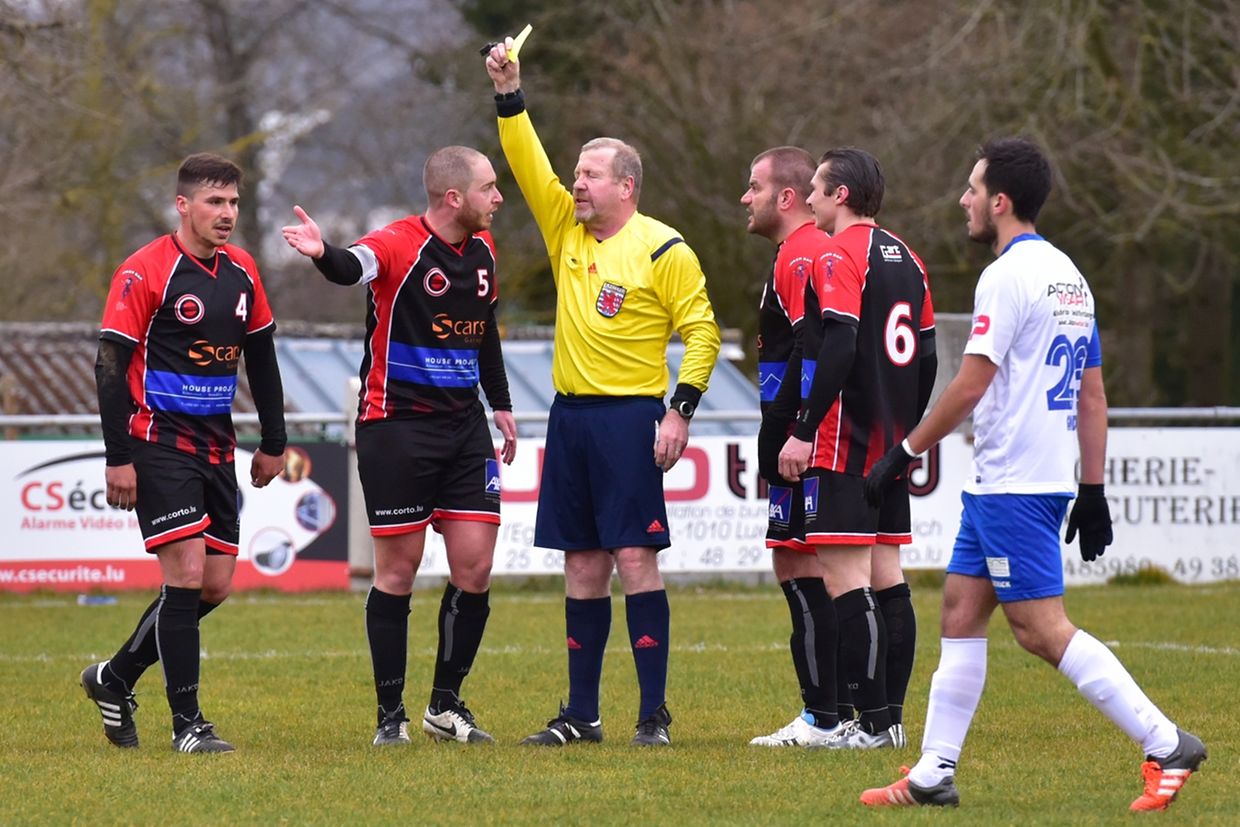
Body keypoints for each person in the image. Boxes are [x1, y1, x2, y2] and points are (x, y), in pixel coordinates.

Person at [860, 137, 1206, 811]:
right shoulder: (1069, 275)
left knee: (1041, 629)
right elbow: (1093, 392)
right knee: (960, 611)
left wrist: (905, 452)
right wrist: (1093, 488)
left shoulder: (1007, 275)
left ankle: (1166, 741)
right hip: (1017, 481)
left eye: (971, 189)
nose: (963, 201)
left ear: (1001, 202)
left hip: (1015, 484)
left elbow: (970, 382)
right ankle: (934, 770)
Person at [484, 36, 721, 747]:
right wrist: (508, 93)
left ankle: (653, 714)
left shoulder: (663, 248)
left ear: (627, 186)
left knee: (633, 559)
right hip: (571, 418)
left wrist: (679, 411)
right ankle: (580, 714)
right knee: (581, 562)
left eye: (590, 174)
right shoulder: (567, 230)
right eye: (577, 173)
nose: (576, 184)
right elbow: (527, 164)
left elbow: (702, 331)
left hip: (630, 419)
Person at [281, 146, 517, 747]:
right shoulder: (398, 244)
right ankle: (392, 716)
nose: (498, 198)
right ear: (453, 198)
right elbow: (349, 266)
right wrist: (321, 254)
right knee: (399, 571)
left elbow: (484, 332)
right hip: (396, 427)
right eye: (489, 188)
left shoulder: (485, 251)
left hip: (465, 428)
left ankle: (445, 705)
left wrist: (503, 404)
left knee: (476, 566)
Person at [82, 153, 287, 754]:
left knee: (215, 586)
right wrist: (118, 456)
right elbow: (109, 366)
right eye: (214, 203)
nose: (227, 215)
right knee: (186, 576)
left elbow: (264, 360)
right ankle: (189, 725)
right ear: (183, 205)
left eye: (233, 203)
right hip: (156, 443)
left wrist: (273, 440)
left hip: (217, 445)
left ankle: (114, 678)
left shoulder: (243, 270)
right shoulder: (145, 270)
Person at [778, 148, 937, 750]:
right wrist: (907, 430)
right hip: (890, 448)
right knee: (890, 578)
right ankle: (889, 722)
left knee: (847, 582)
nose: (810, 199)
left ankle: (870, 725)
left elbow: (840, 345)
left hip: (845, 443)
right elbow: (927, 357)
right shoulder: (911, 258)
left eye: (817, 189)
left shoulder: (839, 254)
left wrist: (803, 427)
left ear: (841, 195)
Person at [743, 146, 852, 748]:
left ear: (785, 197)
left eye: (753, 186)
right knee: (810, 565)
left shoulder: (804, 254)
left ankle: (824, 717)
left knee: (803, 564)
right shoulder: (799, 253)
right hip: (805, 436)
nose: (745, 198)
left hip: (806, 443)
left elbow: (817, 352)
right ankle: (842, 715)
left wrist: (797, 433)